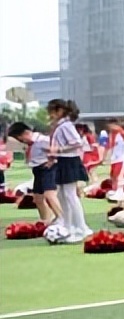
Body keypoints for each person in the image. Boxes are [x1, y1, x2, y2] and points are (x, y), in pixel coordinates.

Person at [48, 100, 93, 243]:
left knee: (70, 195)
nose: (50, 115)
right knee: (62, 195)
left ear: (60, 111)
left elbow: (77, 142)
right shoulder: (61, 126)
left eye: (52, 112)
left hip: (69, 161)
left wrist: (59, 150)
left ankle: (82, 228)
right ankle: (68, 227)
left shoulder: (66, 126)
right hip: (62, 161)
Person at [6, 122, 60, 225]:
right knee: (38, 198)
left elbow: (56, 150)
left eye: (20, 138)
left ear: (26, 133)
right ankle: (45, 221)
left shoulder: (42, 140)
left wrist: (51, 161)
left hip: (47, 168)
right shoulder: (30, 144)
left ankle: (62, 219)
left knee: (49, 195)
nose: (21, 141)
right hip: (37, 169)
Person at [105, 120, 124, 192]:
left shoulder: (123, 133)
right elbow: (109, 146)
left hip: (123, 158)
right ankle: (115, 191)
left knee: (119, 177)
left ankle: (120, 192)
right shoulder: (112, 134)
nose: (110, 128)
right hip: (115, 158)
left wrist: (121, 130)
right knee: (113, 176)